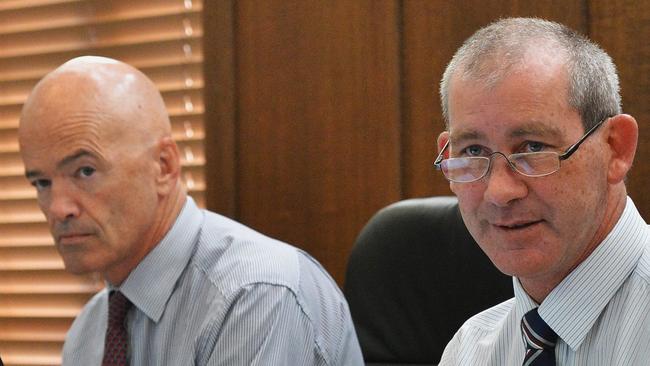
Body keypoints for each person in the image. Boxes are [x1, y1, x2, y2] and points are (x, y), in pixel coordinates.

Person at [18, 56, 364, 365]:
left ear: (164, 167)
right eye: (42, 183)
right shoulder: (89, 332)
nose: (58, 208)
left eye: (85, 171)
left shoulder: (255, 296)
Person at [434, 18, 648, 365]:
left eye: (532, 147)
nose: (499, 192)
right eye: (473, 151)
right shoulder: (470, 351)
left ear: (616, 148)